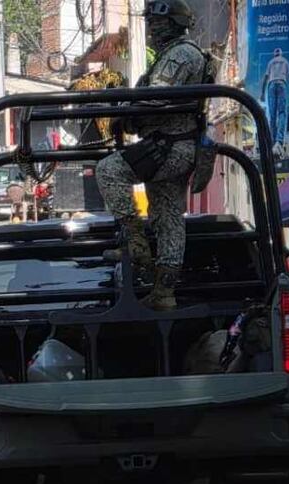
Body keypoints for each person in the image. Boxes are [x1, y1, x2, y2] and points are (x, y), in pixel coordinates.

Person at [94, 0, 211, 310]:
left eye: (156, 24)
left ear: (173, 23)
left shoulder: (180, 55)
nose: (151, 30)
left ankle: (135, 243)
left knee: (108, 171)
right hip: (173, 145)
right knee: (169, 218)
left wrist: (124, 108)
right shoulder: (176, 54)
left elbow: (156, 98)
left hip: (167, 146)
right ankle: (164, 292)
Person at [260, 47, 289, 155]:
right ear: (281, 53)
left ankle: (272, 140)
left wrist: (262, 93)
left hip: (271, 85)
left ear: (274, 54)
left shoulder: (271, 62)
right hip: (282, 84)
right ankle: (279, 141)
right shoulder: (285, 61)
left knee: (272, 115)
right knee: (282, 113)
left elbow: (265, 78)